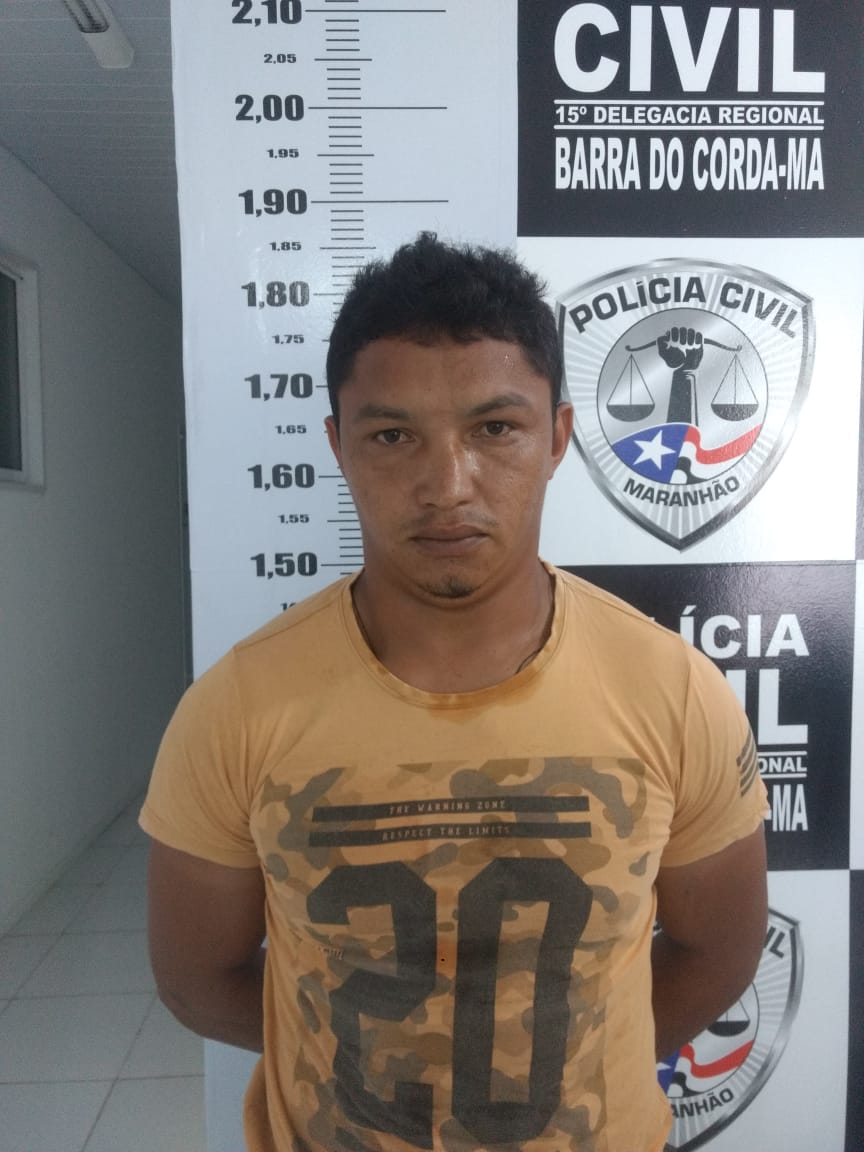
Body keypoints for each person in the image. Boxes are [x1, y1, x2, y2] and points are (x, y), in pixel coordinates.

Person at [141, 234, 768, 1152]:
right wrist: (383, 1059)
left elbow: (720, 950)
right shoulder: (237, 707)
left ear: (557, 438)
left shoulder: (672, 691)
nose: (446, 485)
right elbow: (196, 978)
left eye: (495, 429)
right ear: (339, 446)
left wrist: (564, 1060)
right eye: (393, 436)